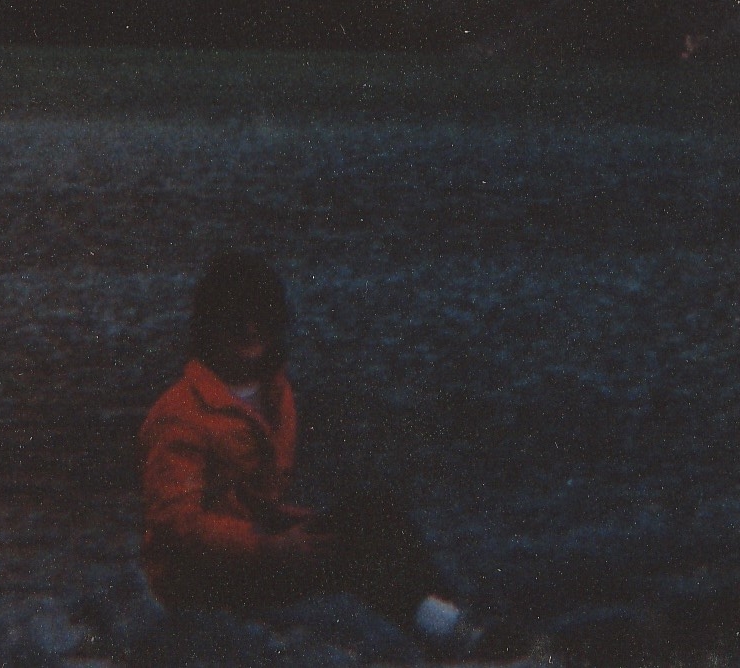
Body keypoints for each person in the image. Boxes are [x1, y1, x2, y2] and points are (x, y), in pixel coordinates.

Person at [138, 250, 489, 658]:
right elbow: (174, 525)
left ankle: (447, 620)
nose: (250, 327)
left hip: (252, 548)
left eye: (261, 315)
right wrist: (269, 546)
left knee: (374, 513)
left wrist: (283, 522)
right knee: (343, 555)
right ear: (211, 325)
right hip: (197, 580)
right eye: (235, 317)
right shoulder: (180, 413)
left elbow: (247, 496)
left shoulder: (274, 391)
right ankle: (445, 631)